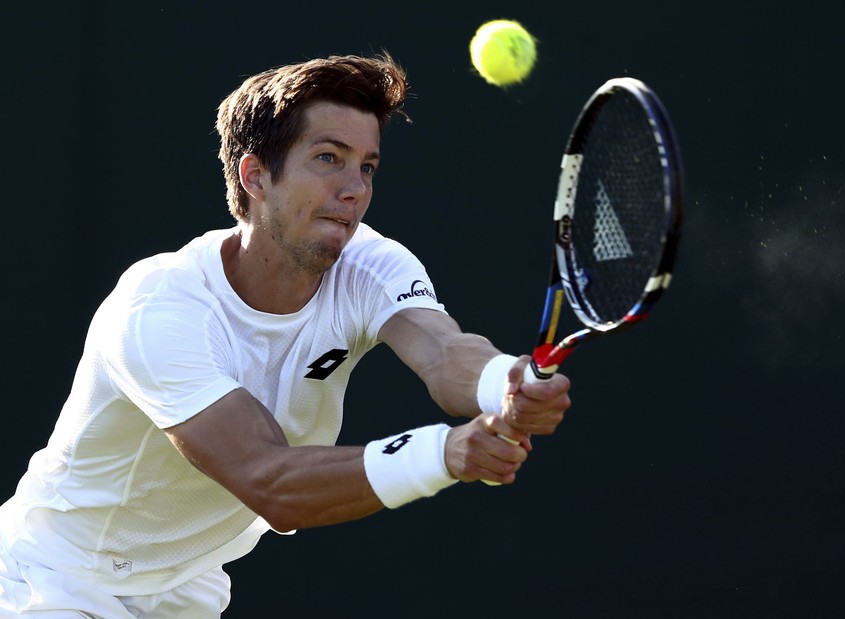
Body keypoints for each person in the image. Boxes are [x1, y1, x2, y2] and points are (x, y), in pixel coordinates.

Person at [0, 52, 571, 617]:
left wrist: (506, 383)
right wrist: (446, 453)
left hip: (184, 586)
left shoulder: (372, 265)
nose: (354, 190)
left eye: (367, 167)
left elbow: (445, 353)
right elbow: (270, 482)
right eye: (329, 158)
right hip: (54, 580)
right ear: (255, 177)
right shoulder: (158, 311)